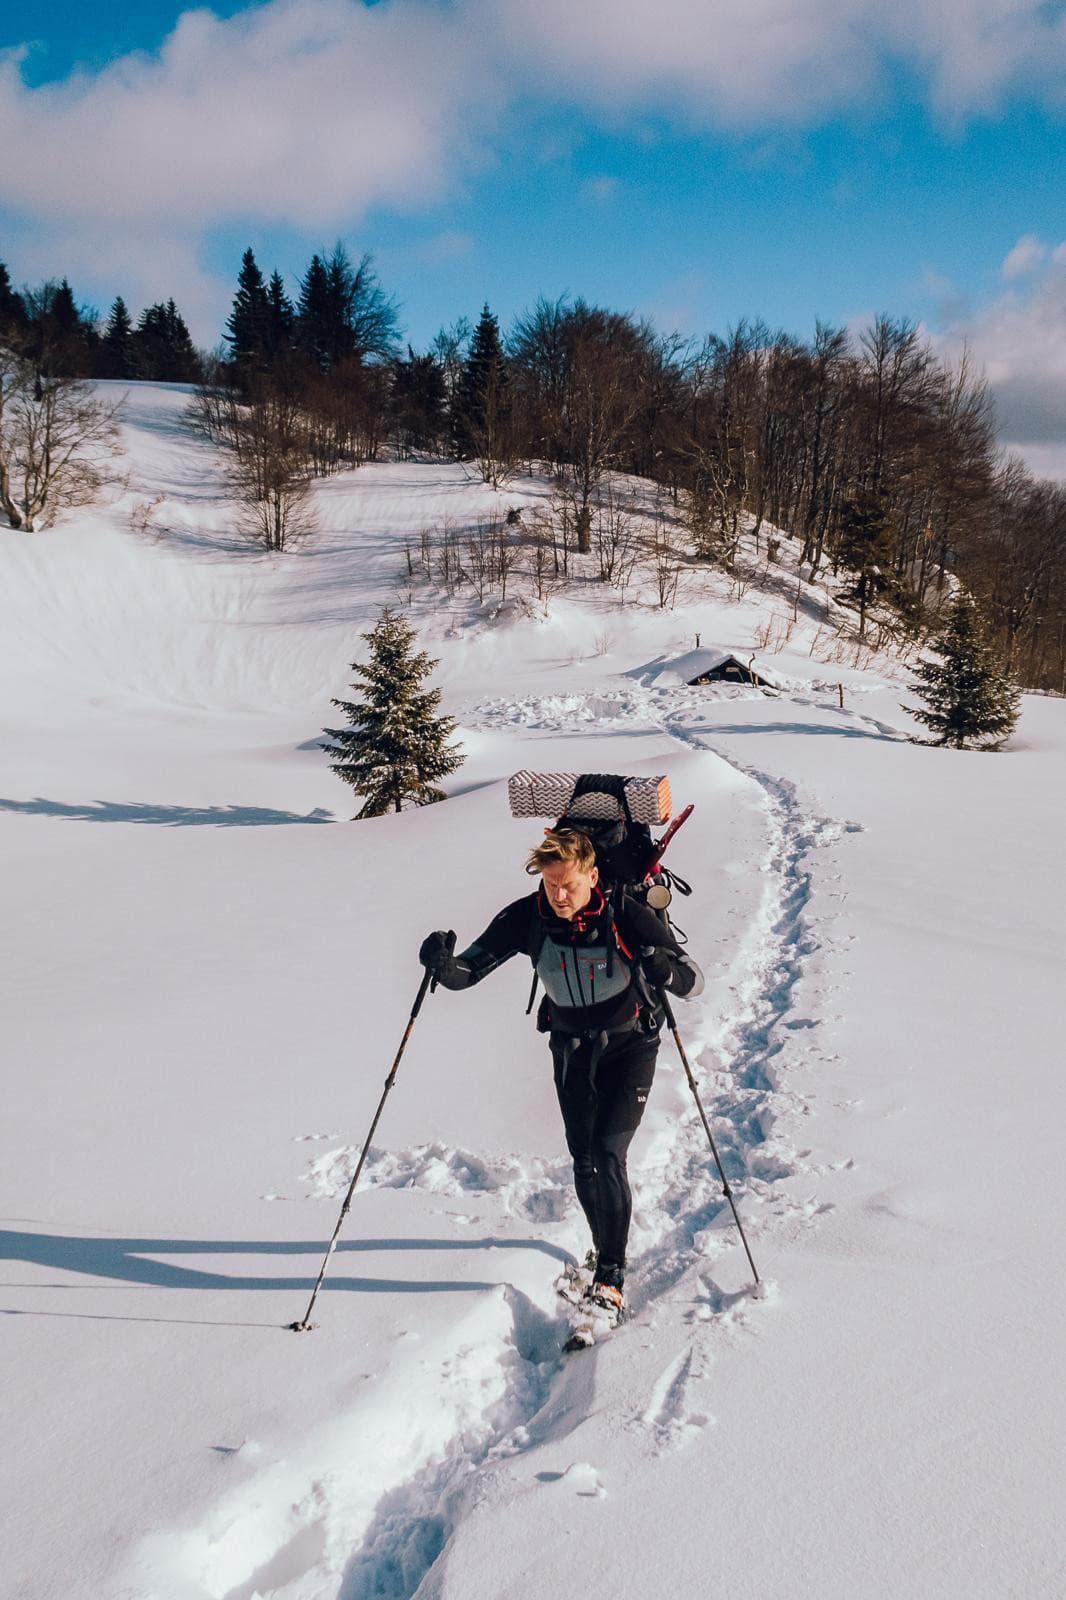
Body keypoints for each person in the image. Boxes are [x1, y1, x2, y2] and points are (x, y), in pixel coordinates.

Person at [419, 827, 703, 1326]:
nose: (559, 895)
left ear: (593, 875)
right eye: (551, 884)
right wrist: (441, 963)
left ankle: (612, 1277)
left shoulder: (626, 912)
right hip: (570, 1047)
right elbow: (469, 973)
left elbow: (693, 981)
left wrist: (662, 967)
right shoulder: (527, 915)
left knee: (607, 1154)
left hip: (631, 1043)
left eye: (569, 884)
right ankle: (601, 1250)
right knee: (582, 1159)